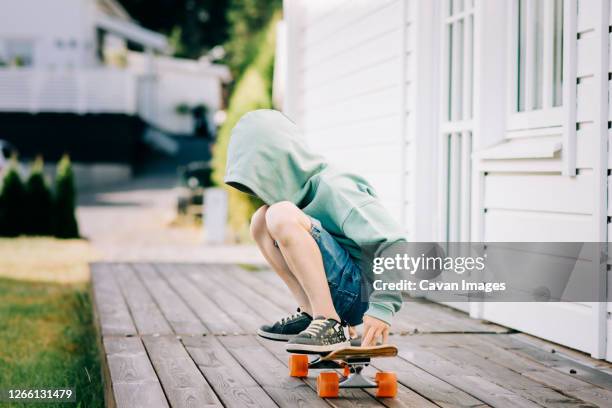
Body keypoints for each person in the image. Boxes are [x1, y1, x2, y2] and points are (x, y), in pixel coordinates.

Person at [224, 109, 404, 353]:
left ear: (282, 160)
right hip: (342, 291)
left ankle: (329, 322)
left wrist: (383, 307)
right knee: (261, 219)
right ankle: (313, 313)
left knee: (279, 213)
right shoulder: (294, 196)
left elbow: (394, 242)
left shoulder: (336, 186)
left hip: (364, 294)